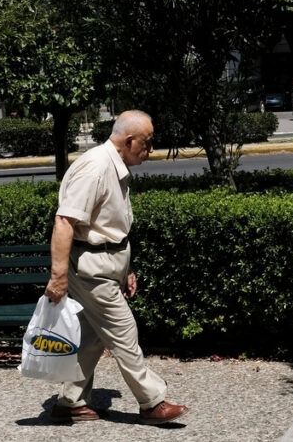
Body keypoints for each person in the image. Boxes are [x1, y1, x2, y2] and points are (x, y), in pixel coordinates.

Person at [44, 110, 189, 425]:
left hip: (106, 265)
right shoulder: (95, 167)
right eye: (147, 144)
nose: (149, 151)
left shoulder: (114, 165)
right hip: (91, 271)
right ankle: (153, 402)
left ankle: (70, 403)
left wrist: (127, 268)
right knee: (124, 332)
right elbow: (65, 221)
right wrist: (58, 277)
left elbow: (111, 226)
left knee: (94, 337)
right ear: (130, 140)